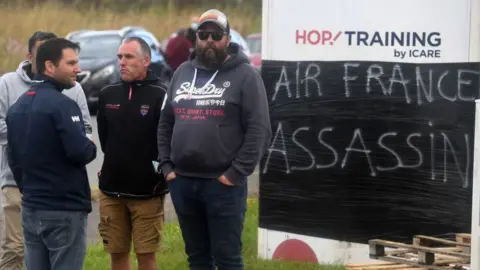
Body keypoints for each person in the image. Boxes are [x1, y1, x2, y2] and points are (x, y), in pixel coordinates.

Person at [157, 9, 272, 270]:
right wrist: (166, 166)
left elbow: (259, 129)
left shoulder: (246, 76)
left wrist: (235, 173)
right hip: (183, 182)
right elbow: (165, 121)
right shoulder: (182, 72)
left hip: (223, 186)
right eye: (204, 34)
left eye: (216, 35)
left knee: (228, 259)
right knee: (197, 258)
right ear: (196, 38)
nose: (209, 40)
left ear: (227, 39)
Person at [0, 31, 92, 270]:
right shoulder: (63, 105)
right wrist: (89, 146)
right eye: (71, 63)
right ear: (49, 66)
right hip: (63, 208)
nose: (77, 69)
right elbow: (80, 151)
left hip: (31, 207)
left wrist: (26, 188)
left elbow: (14, 156)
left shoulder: (19, 106)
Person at [96, 37, 168, 270]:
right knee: (117, 254)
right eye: (119, 57)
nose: (122, 63)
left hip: (147, 193)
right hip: (111, 190)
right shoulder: (107, 94)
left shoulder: (160, 94)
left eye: (128, 57)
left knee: (146, 256)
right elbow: (106, 140)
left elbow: (166, 141)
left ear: (146, 60)